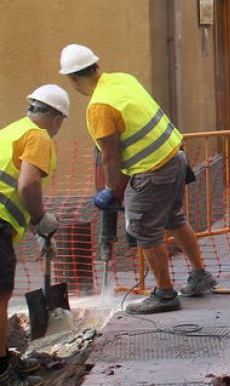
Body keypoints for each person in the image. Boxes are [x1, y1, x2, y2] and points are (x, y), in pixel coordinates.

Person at [59, 44, 215, 314]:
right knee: (174, 218)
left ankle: (166, 294)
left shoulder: (99, 107)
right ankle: (200, 275)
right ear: (97, 65)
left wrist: (110, 190)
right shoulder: (123, 79)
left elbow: (110, 157)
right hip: (175, 157)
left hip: (152, 170)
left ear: (73, 79)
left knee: (145, 230)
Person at [0, 86, 70, 385]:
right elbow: (27, 185)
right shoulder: (39, 136)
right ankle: (1, 371)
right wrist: (41, 219)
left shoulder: (12, 130)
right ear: (56, 118)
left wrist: (34, 227)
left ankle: (3, 355)